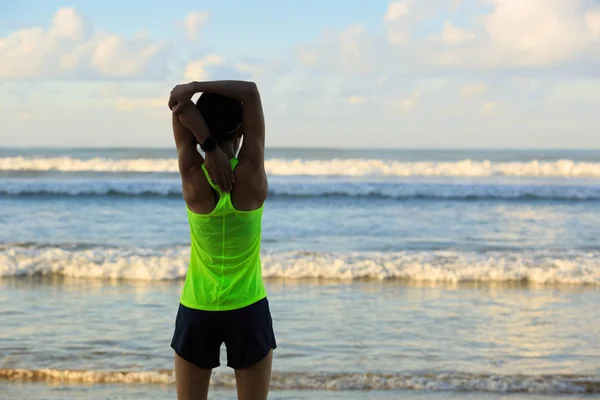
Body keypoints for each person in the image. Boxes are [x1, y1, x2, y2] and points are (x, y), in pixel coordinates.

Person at [168, 80, 276, 400]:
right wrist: (199, 85)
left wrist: (208, 148)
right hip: (248, 306)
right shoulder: (252, 173)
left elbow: (177, 100)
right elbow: (252, 91)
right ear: (241, 130)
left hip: (197, 307)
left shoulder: (191, 175)